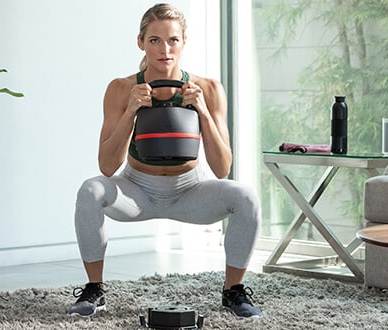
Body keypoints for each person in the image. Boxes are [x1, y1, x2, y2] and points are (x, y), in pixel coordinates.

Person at [67, 3, 263, 318]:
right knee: (90, 190)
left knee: (246, 197)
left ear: (184, 42)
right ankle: (95, 289)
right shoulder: (120, 89)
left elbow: (222, 168)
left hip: (189, 190)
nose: (165, 49)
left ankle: (233, 291)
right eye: (155, 40)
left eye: (172, 40)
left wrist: (201, 112)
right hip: (137, 190)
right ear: (141, 42)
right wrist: (130, 111)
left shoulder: (209, 89)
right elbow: (106, 167)